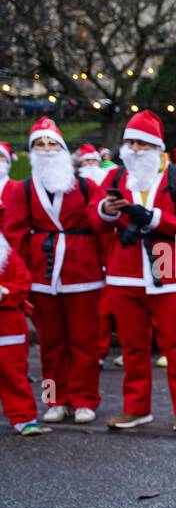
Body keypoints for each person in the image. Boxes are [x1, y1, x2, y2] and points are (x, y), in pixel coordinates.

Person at [90, 111, 176, 431]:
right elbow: (94, 221)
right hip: (124, 272)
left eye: (142, 143)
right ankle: (136, 407)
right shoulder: (114, 179)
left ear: (157, 147)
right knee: (132, 345)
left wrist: (153, 218)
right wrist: (107, 211)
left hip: (171, 270)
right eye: (130, 142)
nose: (135, 149)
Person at [2, 118, 107, 424]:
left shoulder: (85, 186)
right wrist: (17, 280)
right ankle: (54, 398)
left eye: (51, 144)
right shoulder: (23, 189)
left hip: (82, 274)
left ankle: (85, 399)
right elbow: (14, 236)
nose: (46, 150)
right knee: (50, 345)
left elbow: (100, 222)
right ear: (32, 151)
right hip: (41, 276)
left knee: (85, 343)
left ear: (62, 149)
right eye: (39, 144)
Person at [0, 231, 43, 436]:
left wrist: (4, 292)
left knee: (13, 373)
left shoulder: (8, 255)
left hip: (8, 325)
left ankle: (24, 417)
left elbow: (23, 283)